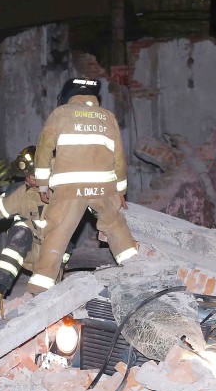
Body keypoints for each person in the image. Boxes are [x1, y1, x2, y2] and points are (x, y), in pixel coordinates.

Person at [26, 77, 138, 293]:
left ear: (68, 96)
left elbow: (43, 151)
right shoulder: (108, 117)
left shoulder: (60, 114)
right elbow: (120, 159)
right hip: (104, 188)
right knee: (116, 227)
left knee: (57, 236)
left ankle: (38, 291)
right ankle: (137, 275)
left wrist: (42, 185)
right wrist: (120, 191)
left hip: (69, 190)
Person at [0, 145, 65, 297]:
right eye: (27, 175)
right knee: (20, 228)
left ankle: (42, 294)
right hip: (31, 250)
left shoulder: (63, 195)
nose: (29, 179)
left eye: (33, 174)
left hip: (54, 255)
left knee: (42, 297)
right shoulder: (23, 194)